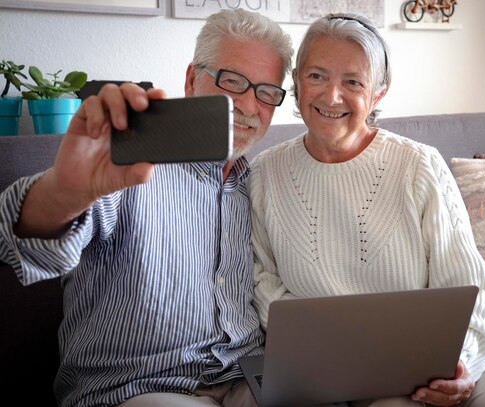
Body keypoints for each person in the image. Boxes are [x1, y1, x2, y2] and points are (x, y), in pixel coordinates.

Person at [0, 8, 292, 407]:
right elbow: (18, 243)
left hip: (248, 379)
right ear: (192, 79)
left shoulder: (263, 186)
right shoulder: (129, 165)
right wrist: (64, 194)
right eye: (233, 81)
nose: (247, 104)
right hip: (138, 387)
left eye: (266, 91)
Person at [249, 12, 485, 407]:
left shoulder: (419, 165)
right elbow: (262, 282)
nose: (332, 96)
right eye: (317, 76)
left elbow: (469, 284)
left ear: (379, 92)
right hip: (330, 364)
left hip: (438, 357)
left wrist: (461, 363)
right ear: (297, 80)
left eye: (353, 82)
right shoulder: (264, 173)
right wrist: (327, 353)